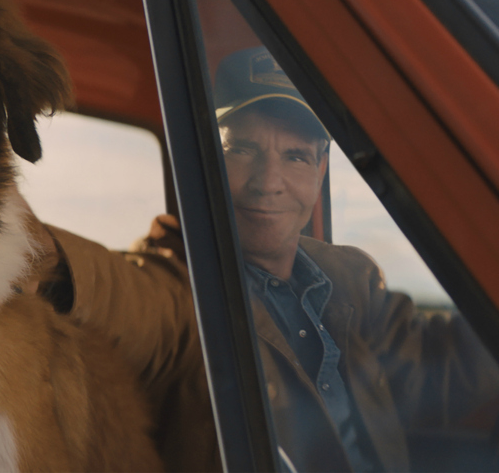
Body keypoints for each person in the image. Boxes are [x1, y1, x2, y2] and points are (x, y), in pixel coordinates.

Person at [140, 47, 499, 472]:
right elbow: (116, 301)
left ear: (321, 170)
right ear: (205, 160)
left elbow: (437, 375)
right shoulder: (174, 286)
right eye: (241, 149)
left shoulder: (350, 279)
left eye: (295, 156)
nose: (269, 182)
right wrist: (51, 265)